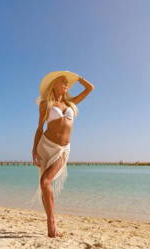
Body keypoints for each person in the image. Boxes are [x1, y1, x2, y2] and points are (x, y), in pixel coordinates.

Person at [31, 70, 94, 237]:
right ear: (54, 85)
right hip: (46, 145)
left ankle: (51, 222)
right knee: (45, 183)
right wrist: (33, 150)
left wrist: (78, 77)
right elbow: (39, 129)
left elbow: (90, 88)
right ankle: (51, 223)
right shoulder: (46, 104)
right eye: (63, 82)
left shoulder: (71, 103)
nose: (66, 84)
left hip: (63, 149)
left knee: (45, 182)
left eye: (68, 83)